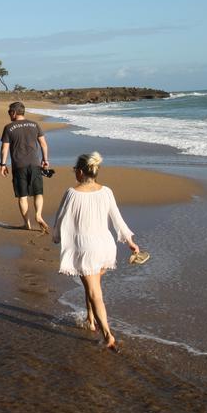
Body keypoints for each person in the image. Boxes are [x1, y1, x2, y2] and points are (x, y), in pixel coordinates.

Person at [51, 151, 141, 352]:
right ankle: (90, 320)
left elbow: (60, 218)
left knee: (95, 292)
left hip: (86, 248)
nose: (74, 173)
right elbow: (118, 219)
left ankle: (108, 334)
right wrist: (130, 242)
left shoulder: (72, 193)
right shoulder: (106, 191)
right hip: (106, 246)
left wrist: (56, 237)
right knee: (91, 285)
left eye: (75, 170)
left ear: (81, 172)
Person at [0, 101, 51, 232]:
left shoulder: (9, 127)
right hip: (35, 164)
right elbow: (44, 144)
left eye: (10, 112)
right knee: (38, 193)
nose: (9, 114)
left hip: (19, 166)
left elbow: (4, 149)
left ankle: (26, 223)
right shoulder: (35, 125)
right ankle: (38, 215)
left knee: (22, 196)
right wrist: (45, 160)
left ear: (15, 112)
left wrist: (3, 164)